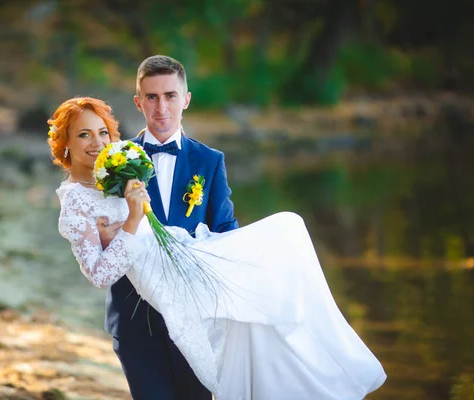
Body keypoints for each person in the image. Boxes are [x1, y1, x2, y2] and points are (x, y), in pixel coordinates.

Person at [49, 64, 386, 399]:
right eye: (152, 97)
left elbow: (226, 232)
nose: (161, 107)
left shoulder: (209, 161)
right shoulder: (116, 161)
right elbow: (98, 233)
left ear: (186, 100)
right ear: (139, 102)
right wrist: (126, 227)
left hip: (199, 319)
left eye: (170, 96)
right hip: (137, 323)